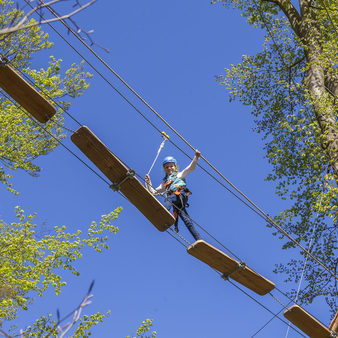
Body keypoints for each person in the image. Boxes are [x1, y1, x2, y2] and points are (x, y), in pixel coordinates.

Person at [145, 150, 202, 241]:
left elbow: (190, 168)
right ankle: (199, 239)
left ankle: (163, 214)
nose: (169, 168)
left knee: (169, 199)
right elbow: (152, 192)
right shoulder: (165, 183)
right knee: (186, 219)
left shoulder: (179, 175)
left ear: (175, 167)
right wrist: (148, 182)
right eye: (167, 167)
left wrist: (196, 157)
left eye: (171, 166)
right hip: (176, 201)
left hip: (180, 195)